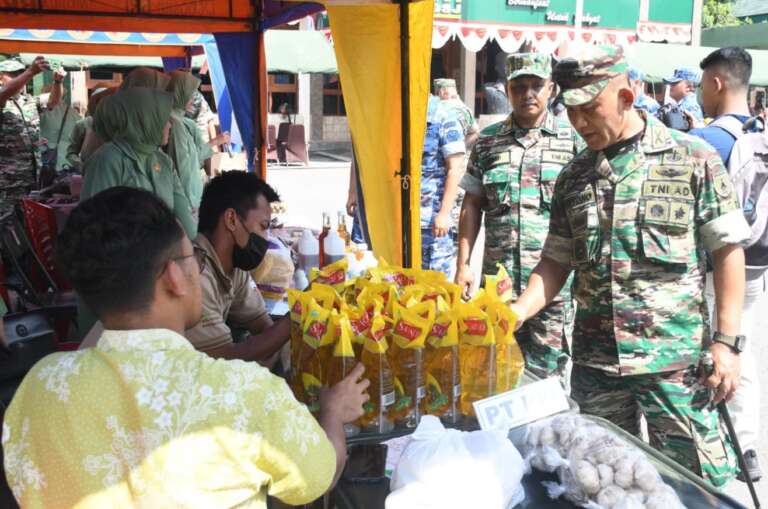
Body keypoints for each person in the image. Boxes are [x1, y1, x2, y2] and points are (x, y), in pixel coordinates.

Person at [2, 187, 369, 508]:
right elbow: (318, 477)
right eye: (190, 256)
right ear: (174, 276)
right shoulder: (244, 392)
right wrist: (333, 413)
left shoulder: (41, 385)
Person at [511, 44, 749, 487]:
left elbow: (728, 252)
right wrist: (514, 312)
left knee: (698, 483)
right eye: (572, 110)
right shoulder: (574, 177)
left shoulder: (691, 158)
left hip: (674, 365)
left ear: (627, 94)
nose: (580, 123)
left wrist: (726, 343)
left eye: (591, 108)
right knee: (601, 482)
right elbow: (555, 262)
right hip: (597, 367)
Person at [456, 53, 581, 381]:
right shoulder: (487, 142)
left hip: (552, 292)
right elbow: (472, 205)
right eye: (519, 86)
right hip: (498, 286)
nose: (528, 93)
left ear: (551, 89)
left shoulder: (573, 143)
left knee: (546, 382)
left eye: (537, 85)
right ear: (507, 90)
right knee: (494, 376)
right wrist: (463, 265)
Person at [689, 46, 765, 482]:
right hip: (757, 263)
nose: (701, 93)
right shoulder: (760, 133)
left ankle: (714, 441)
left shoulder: (708, 141)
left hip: (718, 265)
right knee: (742, 346)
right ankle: (748, 444)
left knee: (715, 347)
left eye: (703, 84)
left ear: (716, 83)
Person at [186, 172, 291, 365]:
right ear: (232, 219)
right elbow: (223, 358)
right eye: (263, 226)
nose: (266, 238)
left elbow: (264, 328)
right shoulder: (195, 273)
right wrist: (297, 317)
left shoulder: (234, 269)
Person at [81, 87, 196, 238]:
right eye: (164, 118)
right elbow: (92, 227)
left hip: (161, 255)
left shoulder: (163, 161)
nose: (170, 124)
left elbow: (187, 226)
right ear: (146, 119)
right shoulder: (108, 160)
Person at [166, 70, 230, 213]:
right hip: (187, 202)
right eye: (190, 93)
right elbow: (184, 167)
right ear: (179, 93)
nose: (193, 98)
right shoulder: (175, 125)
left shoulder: (180, 121)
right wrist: (190, 204)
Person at [421, 95, 466, 278]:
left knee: (435, 287)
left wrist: (444, 213)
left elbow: (454, 170)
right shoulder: (400, 112)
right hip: (403, 221)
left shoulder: (443, 116)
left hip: (432, 223)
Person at [0, 56, 50, 216]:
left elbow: (53, 101)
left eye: (19, 73)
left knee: (24, 226)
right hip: (6, 181)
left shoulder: (27, 101)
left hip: (29, 177)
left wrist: (57, 82)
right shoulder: (3, 98)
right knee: (5, 227)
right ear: (1, 77)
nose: (18, 77)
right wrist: (30, 72)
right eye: (13, 74)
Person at [66, 87, 116, 171]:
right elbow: (71, 153)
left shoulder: (119, 124)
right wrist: (82, 166)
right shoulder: (83, 124)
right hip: (88, 174)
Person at [434, 78, 480, 150]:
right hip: (459, 155)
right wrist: (461, 146)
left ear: (442, 93)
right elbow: (476, 132)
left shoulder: (434, 108)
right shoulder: (464, 109)